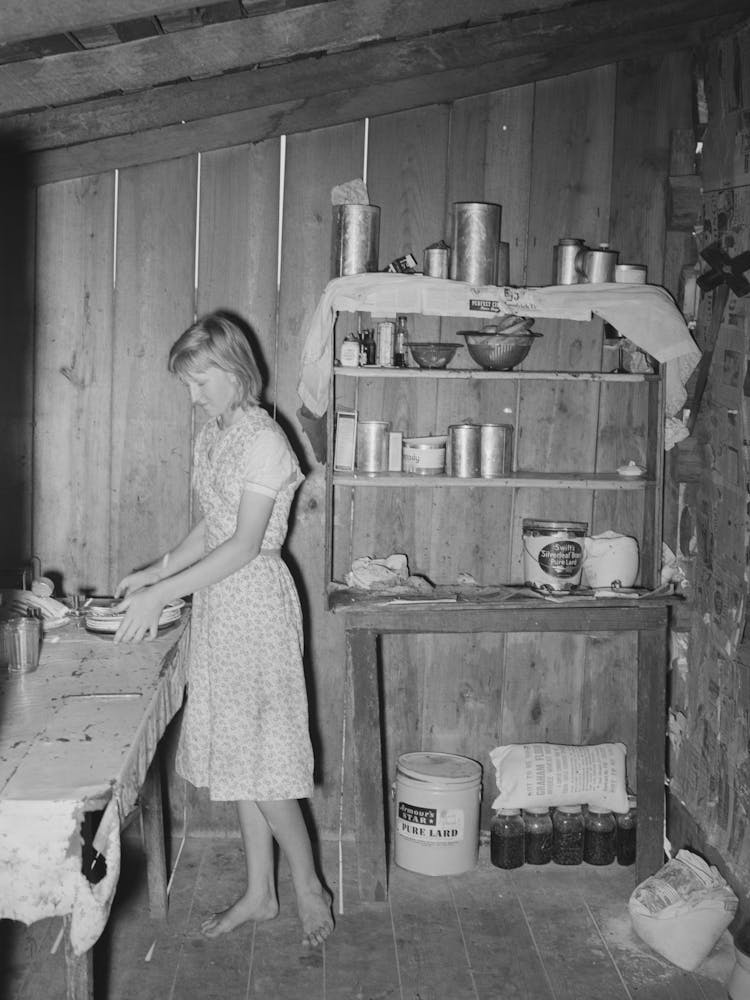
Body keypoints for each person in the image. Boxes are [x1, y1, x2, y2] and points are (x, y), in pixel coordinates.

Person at [113, 310, 333, 948]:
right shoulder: (217, 432)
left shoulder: (265, 440)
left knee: (263, 764)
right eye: (187, 384)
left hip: (255, 602)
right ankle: (261, 894)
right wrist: (154, 571)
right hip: (218, 605)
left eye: (200, 381)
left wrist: (162, 594)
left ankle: (308, 884)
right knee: (241, 757)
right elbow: (211, 525)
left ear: (236, 371)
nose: (193, 395)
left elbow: (241, 545)